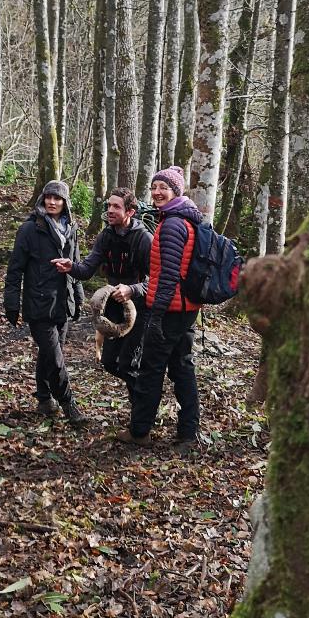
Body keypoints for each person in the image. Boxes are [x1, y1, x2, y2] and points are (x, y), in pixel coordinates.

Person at [116, 165, 202, 451]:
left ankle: (140, 431)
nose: (156, 192)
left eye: (163, 188)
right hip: (185, 309)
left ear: (176, 191)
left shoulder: (173, 225)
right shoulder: (184, 219)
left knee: (151, 371)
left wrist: (156, 316)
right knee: (182, 368)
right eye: (154, 187)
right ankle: (188, 433)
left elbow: (168, 276)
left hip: (169, 311)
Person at [52, 186, 151, 398]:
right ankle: (145, 394)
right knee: (108, 362)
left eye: (116, 206)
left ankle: (142, 410)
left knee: (127, 364)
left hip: (141, 308)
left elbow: (157, 281)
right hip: (114, 306)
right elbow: (87, 269)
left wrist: (132, 289)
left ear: (130, 212)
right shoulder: (106, 235)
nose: (110, 210)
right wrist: (71, 267)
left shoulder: (143, 239)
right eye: (109, 206)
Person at [3, 180, 86, 426]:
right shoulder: (29, 229)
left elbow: (76, 264)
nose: (52, 202)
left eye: (57, 198)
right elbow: (14, 269)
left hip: (63, 301)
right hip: (38, 303)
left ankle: (43, 398)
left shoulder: (71, 228)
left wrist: (78, 298)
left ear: (65, 203)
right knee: (54, 356)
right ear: (42, 199)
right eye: (48, 197)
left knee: (49, 355)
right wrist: (12, 304)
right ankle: (68, 403)